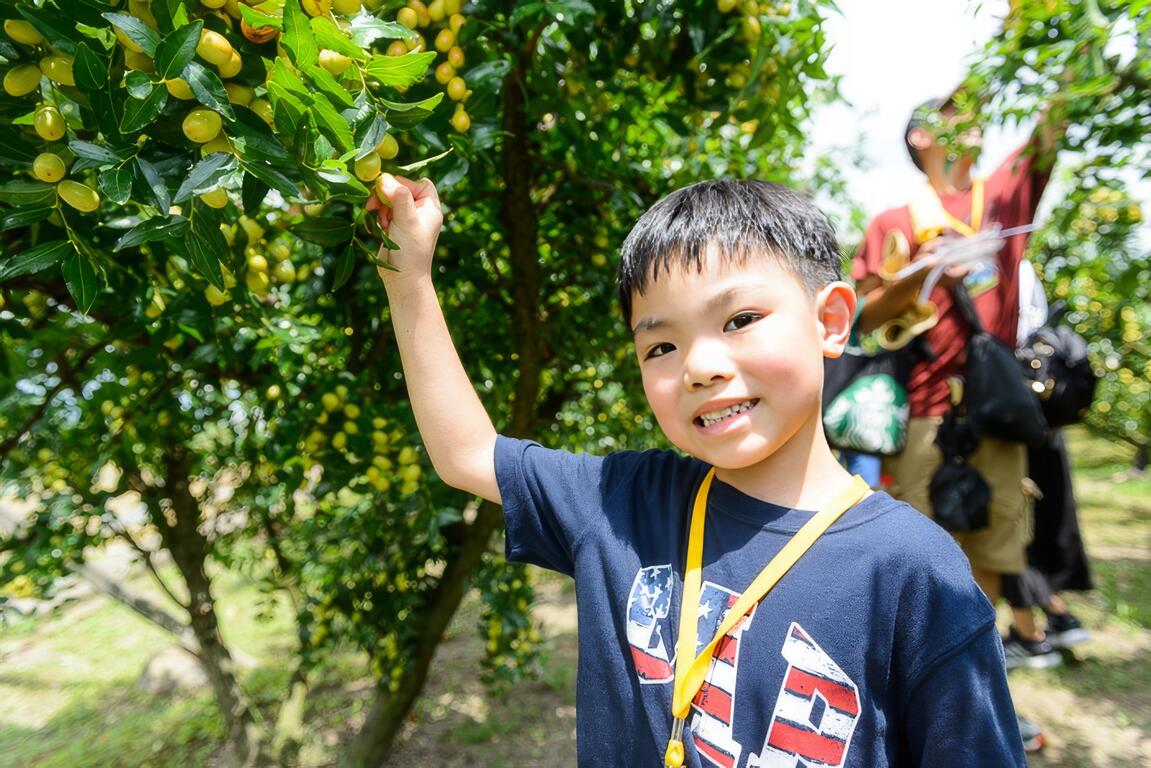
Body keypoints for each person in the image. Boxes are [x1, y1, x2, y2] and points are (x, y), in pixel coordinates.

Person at [368, 172, 1026, 766]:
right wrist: (409, 278)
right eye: (660, 345)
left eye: (739, 319)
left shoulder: (911, 571)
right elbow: (467, 455)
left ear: (829, 321)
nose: (699, 366)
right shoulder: (624, 504)